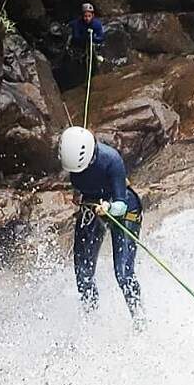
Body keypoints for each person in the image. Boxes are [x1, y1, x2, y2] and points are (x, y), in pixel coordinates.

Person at [58, 127, 143, 317]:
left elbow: (121, 203)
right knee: (83, 273)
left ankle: (139, 317)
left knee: (123, 273)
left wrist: (109, 208)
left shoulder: (111, 160)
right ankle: (90, 317)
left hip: (124, 209)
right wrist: (79, 194)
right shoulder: (73, 156)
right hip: (92, 206)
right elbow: (81, 181)